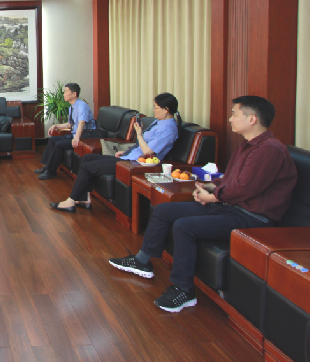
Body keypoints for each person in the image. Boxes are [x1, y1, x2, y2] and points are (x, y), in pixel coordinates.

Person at [108, 96, 297, 313]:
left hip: (252, 217)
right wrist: (208, 187)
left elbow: (245, 188)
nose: (230, 119)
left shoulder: (270, 149)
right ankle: (142, 261)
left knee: (184, 227)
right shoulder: (247, 146)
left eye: (234, 114)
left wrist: (213, 196)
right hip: (230, 206)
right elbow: (230, 179)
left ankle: (184, 290)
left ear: (252, 119)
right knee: (163, 211)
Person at [50, 92, 181, 213]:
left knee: (87, 166)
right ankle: (84, 199)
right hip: (130, 157)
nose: (153, 110)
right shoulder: (160, 122)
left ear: (166, 109)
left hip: (135, 164)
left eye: (156, 108)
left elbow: (148, 151)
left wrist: (139, 134)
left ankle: (71, 201)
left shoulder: (168, 129)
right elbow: (142, 146)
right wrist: (126, 151)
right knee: (87, 158)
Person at [34, 82, 98, 179]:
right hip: (75, 134)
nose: (64, 94)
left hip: (85, 137)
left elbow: (82, 123)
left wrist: (76, 138)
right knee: (52, 140)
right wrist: (55, 126)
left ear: (74, 94)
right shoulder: (72, 107)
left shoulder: (82, 106)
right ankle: (47, 167)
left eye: (66, 92)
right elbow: (69, 125)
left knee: (60, 144)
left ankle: (51, 172)